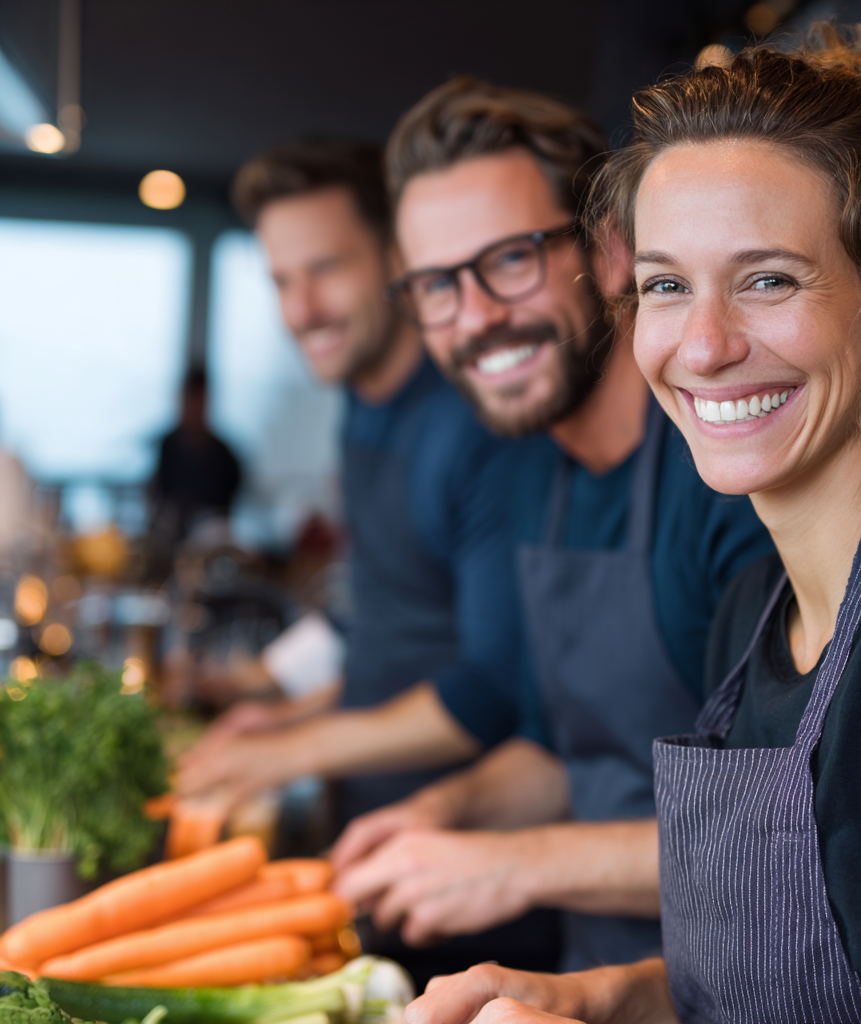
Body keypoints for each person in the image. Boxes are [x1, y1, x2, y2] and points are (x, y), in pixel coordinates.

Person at [398, 25, 861, 1023]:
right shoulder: (753, 612)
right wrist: (597, 998)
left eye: (767, 279)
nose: (703, 344)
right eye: (666, 286)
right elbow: (764, 979)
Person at [330, 80, 774, 972]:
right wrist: (446, 813)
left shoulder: (727, 482)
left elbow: (780, 839)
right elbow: (563, 754)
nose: (478, 317)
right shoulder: (540, 473)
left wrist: (513, 866)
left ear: (610, 253)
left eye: (510, 260)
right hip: (586, 977)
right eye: (436, 286)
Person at [174, 139, 561, 983]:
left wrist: (295, 750)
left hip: (478, 880)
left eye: (325, 270)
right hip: (377, 843)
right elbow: (388, 622)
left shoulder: (476, 421)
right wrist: (280, 711)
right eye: (281, 281)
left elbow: (493, 687)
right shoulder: (359, 405)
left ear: (397, 259)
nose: (301, 307)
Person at [152, 369, 241, 543]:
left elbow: (228, 510)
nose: (192, 408)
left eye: (198, 401)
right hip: (171, 536)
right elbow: (158, 495)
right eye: (188, 400)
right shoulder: (166, 446)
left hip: (210, 542)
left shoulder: (225, 456)